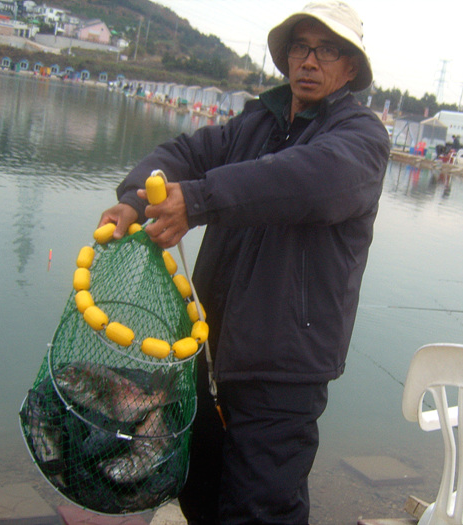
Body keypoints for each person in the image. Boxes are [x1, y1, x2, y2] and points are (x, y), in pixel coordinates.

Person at [98, 1, 390, 523]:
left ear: (351, 68)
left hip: (283, 374)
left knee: (262, 509)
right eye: (301, 47)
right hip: (210, 352)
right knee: (201, 495)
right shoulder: (257, 123)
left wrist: (199, 200)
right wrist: (134, 200)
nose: (309, 60)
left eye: (327, 50)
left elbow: (305, 181)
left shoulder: (361, 138)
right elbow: (188, 153)